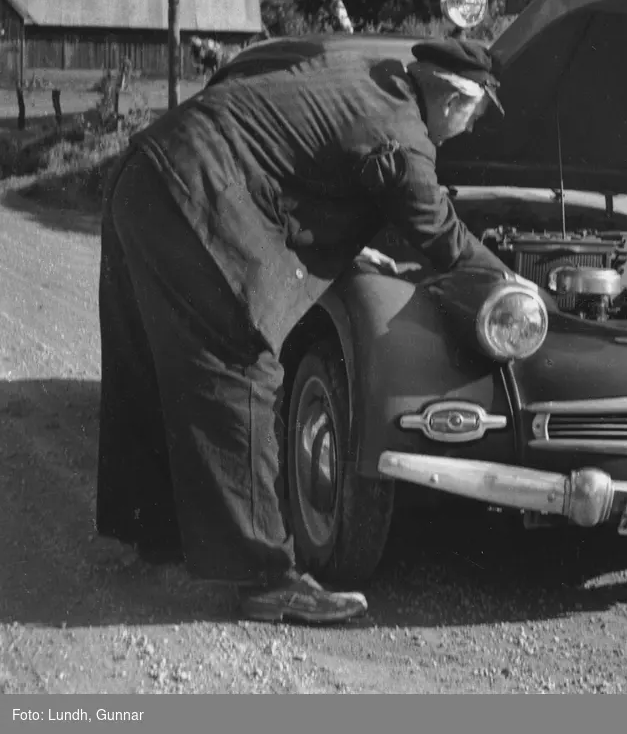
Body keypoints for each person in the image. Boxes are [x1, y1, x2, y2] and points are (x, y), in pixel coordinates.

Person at [96, 35, 509, 624]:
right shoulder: (405, 133)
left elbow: (262, 87)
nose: (470, 129)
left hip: (145, 172)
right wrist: (515, 285)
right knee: (243, 362)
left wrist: (351, 248)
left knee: (154, 357)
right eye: (476, 113)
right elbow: (441, 235)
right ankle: (266, 576)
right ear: (453, 100)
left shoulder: (360, 67)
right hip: (197, 195)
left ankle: (151, 527)